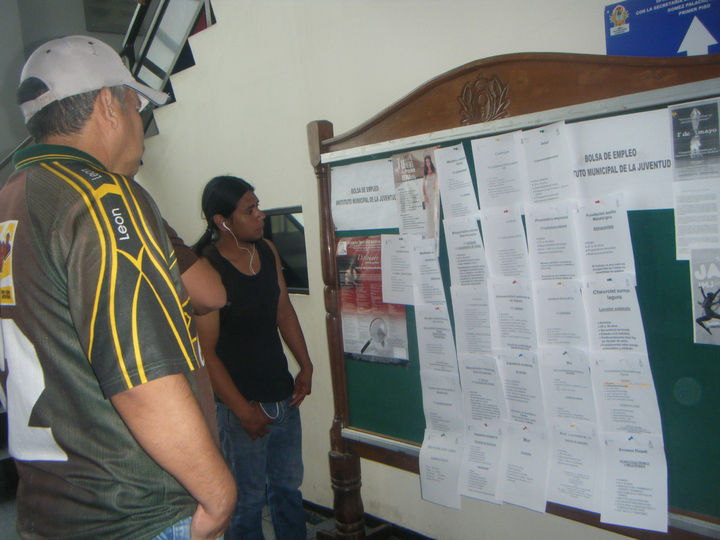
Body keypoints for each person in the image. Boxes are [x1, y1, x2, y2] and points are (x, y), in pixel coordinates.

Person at [0, 35, 235, 539]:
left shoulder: (12, 200)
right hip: (135, 512)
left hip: (49, 508)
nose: (140, 123)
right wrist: (218, 495)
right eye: (135, 104)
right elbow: (141, 374)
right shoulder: (103, 197)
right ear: (107, 104)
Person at [193, 175, 313, 540]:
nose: (261, 214)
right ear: (223, 221)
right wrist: (243, 411)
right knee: (246, 502)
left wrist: (306, 366)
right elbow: (207, 353)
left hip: (281, 397)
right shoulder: (208, 269)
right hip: (239, 407)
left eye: (257, 206)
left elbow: (283, 311)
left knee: (288, 490)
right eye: (250, 210)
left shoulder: (266, 251)